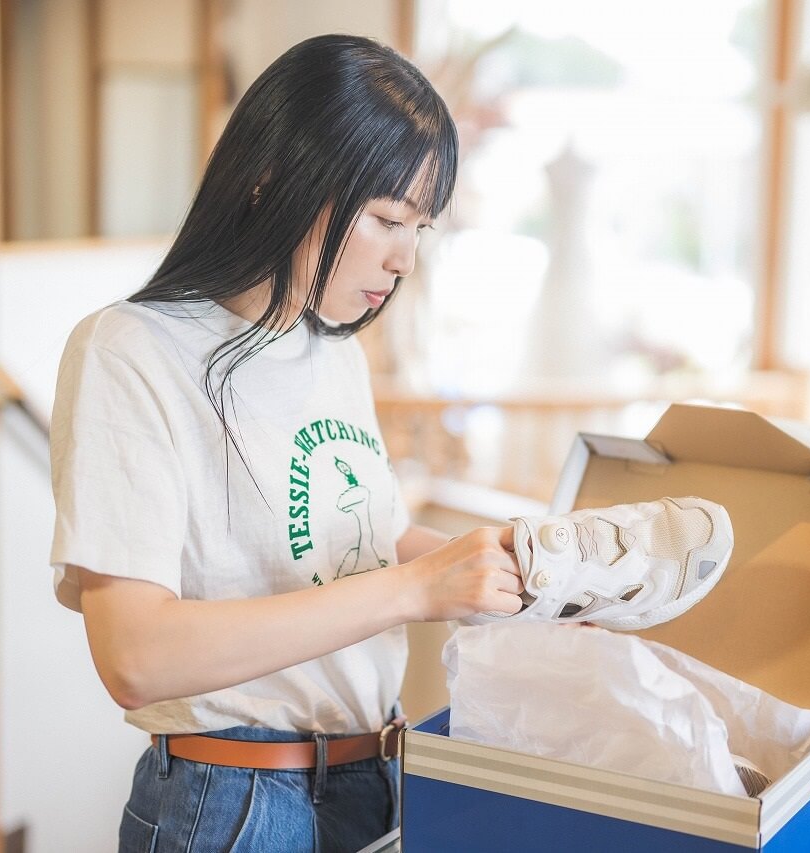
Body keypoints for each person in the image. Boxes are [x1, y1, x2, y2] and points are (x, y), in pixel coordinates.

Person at [48, 34, 524, 852]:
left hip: (373, 774)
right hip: (233, 799)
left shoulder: (332, 349)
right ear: (275, 177)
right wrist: (415, 588)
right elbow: (136, 653)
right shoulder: (132, 350)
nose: (405, 257)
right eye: (384, 218)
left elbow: (364, 540)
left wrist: (515, 580)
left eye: (420, 227)